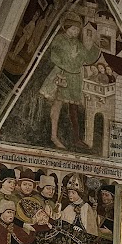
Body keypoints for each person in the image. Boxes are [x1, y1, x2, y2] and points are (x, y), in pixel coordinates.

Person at [37, 13, 100, 149]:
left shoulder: (78, 44)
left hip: (75, 79)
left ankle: (76, 139)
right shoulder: (59, 39)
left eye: (77, 30)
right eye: (73, 29)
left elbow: (88, 58)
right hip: (62, 75)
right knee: (57, 104)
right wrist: (69, 62)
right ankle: (54, 136)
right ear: (66, 28)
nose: (75, 32)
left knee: (74, 108)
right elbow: (54, 56)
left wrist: (95, 45)